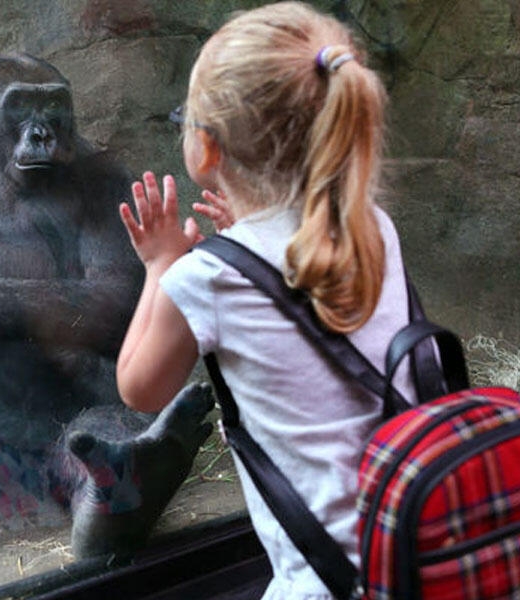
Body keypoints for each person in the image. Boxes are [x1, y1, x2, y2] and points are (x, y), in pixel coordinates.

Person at [116, 2, 417, 598]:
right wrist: (243, 241)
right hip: (416, 541)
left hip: (326, 582)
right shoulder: (373, 225)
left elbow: (139, 388)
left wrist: (160, 266)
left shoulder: (204, 279)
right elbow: (296, 278)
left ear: (205, 151)